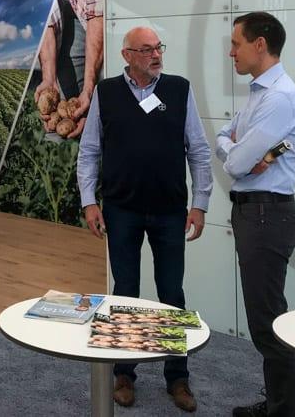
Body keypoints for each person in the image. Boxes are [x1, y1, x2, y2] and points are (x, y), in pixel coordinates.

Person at [77, 26, 212, 413]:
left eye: (158, 48)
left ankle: (177, 376)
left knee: (172, 293)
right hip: (121, 210)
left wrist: (200, 203)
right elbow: (89, 151)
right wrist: (89, 201)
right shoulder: (106, 93)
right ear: (127, 56)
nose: (156, 55)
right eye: (147, 49)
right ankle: (124, 373)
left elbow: (198, 150)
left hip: (170, 211)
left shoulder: (179, 89)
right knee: (125, 291)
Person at [215, 12, 295, 417]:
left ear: (260, 45)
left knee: (267, 322)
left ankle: (284, 411)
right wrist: (235, 150)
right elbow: (225, 142)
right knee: (264, 319)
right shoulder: (260, 94)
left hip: (268, 215)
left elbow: (235, 163)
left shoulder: (279, 98)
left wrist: (236, 153)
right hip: (257, 214)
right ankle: (279, 405)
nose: (231, 52)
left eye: (236, 44)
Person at [34, 0, 104, 139]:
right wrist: (48, 79)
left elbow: (99, 16)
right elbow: (44, 15)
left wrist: (88, 89)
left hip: (102, 11)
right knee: (64, 98)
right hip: (67, 2)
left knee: (99, 94)